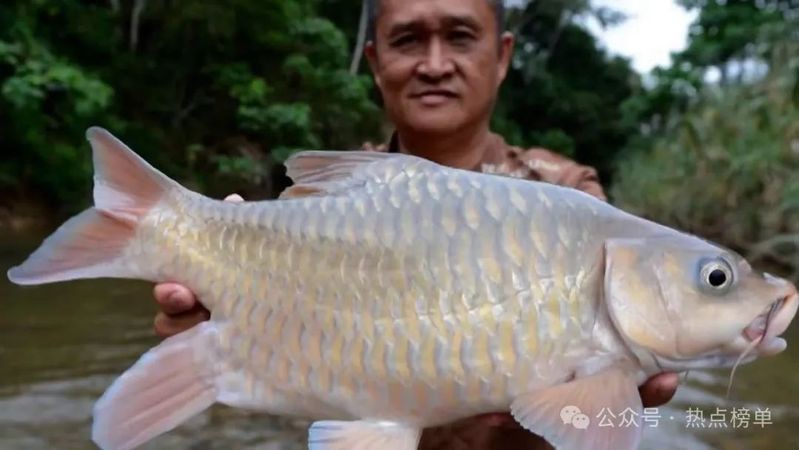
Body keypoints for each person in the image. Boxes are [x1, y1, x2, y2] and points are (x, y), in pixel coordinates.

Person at [152, 0, 679, 448]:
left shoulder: (568, 197)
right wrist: (223, 315)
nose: (434, 64)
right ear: (376, 62)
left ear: (502, 57)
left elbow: (597, 400)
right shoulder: (321, 208)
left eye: (460, 36)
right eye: (408, 40)